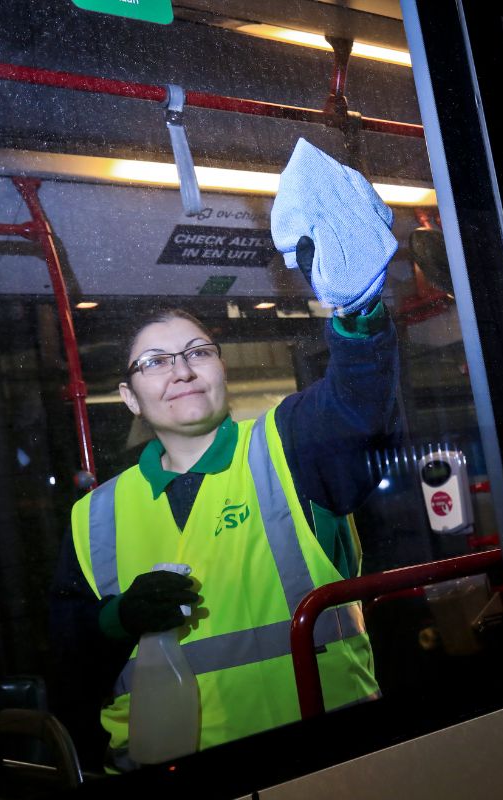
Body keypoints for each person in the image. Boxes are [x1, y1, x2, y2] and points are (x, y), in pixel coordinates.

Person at [49, 139, 400, 771]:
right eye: (155, 362)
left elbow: (358, 402)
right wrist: (118, 618)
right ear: (129, 397)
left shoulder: (289, 445)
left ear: (221, 369)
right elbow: (67, 656)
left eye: (198, 351)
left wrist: (357, 309)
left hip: (325, 765)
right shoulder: (92, 517)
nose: (180, 370)